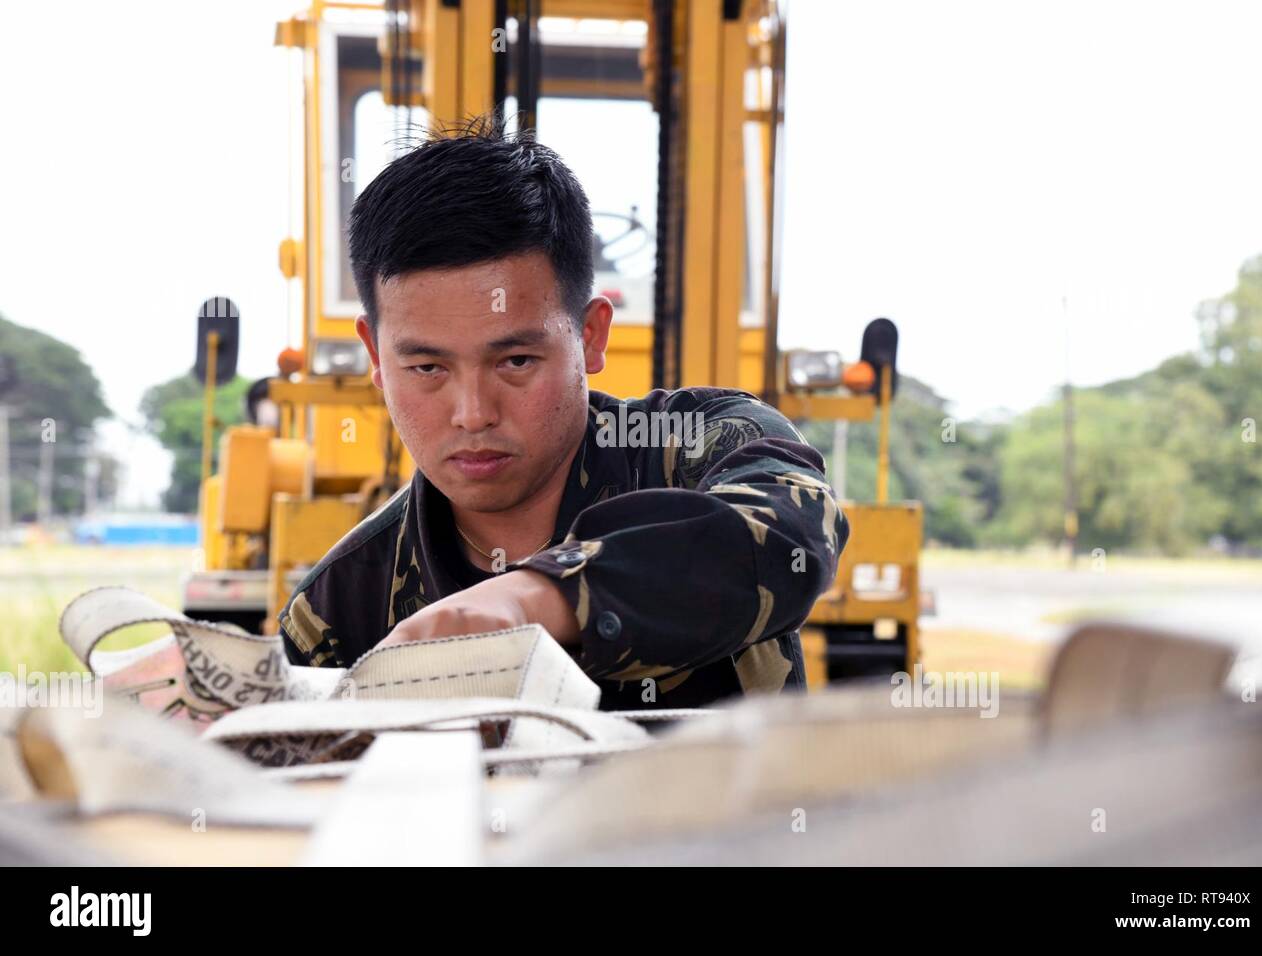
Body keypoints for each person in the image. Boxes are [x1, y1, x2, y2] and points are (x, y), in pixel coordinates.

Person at [278, 120, 849, 710]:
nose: (473, 414)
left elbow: (793, 529)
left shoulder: (695, 445)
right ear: (375, 356)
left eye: (516, 360)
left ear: (591, 335)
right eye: (428, 369)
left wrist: (539, 597)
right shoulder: (340, 607)